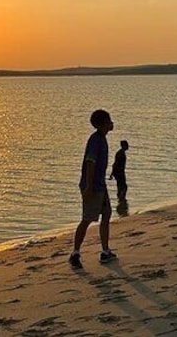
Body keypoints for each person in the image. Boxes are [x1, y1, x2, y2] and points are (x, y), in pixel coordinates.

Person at [69, 110, 116, 269]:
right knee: (87, 218)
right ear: (103, 124)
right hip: (93, 187)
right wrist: (88, 187)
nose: (112, 123)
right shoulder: (95, 141)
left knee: (107, 214)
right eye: (109, 121)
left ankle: (105, 250)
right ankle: (75, 253)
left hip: (100, 185)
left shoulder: (102, 139)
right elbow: (90, 163)